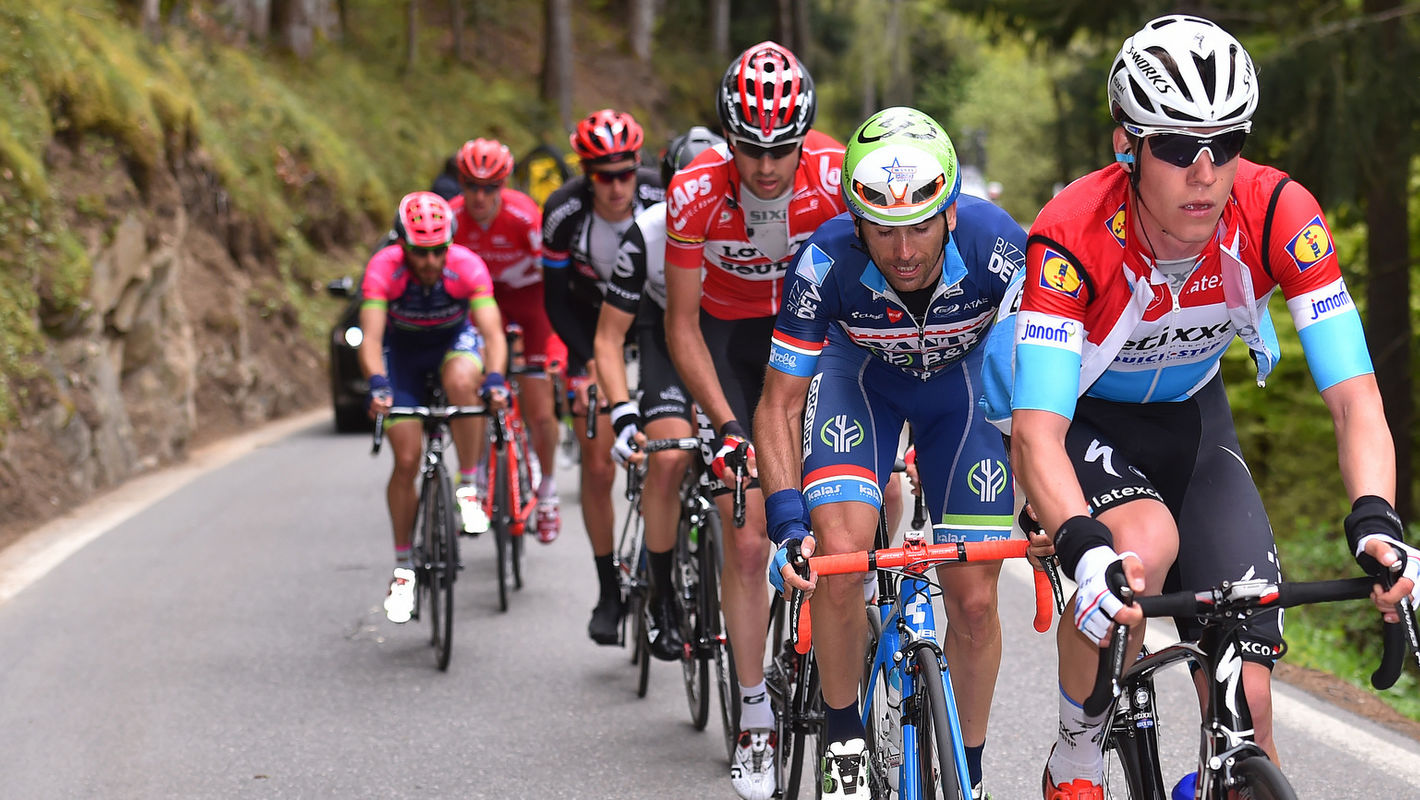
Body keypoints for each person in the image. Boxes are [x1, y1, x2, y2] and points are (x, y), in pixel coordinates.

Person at [976, 15, 1418, 800]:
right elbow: (1039, 435)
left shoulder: (1280, 211)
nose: (1205, 170)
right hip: (1078, 418)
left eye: (1227, 139)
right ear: (1128, 145)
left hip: (1191, 412)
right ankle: (1077, 747)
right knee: (1135, 552)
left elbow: (1355, 399)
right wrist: (1078, 543)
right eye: (1178, 147)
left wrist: (1377, 519)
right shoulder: (1072, 234)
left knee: (1248, 693)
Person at [759, 107, 1026, 800]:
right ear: (857, 223)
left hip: (961, 398)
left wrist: (1051, 506)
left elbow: (1040, 388)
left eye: (919, 227)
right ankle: (842, 732)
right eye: (883, 230)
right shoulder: (824, 261)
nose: (903, 251)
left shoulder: (1002, 246)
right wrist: (788, 523)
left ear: (952, 216)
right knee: (841, 561)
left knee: (972, 602)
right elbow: (780, 404)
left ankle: (970, 766)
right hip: (862, 386)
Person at [663, 40, 846, 800]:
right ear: (727, 138)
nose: (766, 166)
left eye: (781, 149)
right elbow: (679, 326)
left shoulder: (837, 176)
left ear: (805, 138)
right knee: (744, 540)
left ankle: (852, 651)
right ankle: (754, 717)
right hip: (734, 347)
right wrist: (725, 423)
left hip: (818, 344)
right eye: (750, 148)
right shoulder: (694, 191)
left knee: (862, 511)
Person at [593, 126, 726, 662]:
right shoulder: (648, 233)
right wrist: (623, 413)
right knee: (668, 456)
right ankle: (664, 596)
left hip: (727, 335)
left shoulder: (758, 225)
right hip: (664, 335)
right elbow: (607, 337)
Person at [541, 108, 665, 644]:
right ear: (586, 174)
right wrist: (587, 358)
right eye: (602, 175)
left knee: (671, 442)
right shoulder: (563, 212)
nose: (616, 186)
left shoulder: (662, 196)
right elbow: (554, 300)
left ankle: (666, 560)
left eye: (625, 172)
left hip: (655, 322)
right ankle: (607, 590)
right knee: (596, 461)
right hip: (590, 328)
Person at [359, 191, 509, 624]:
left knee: (464, 383)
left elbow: (493, 332)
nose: (431, 262)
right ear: (402, 245)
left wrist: (495, 378)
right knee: (406, 459)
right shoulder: (383, 268)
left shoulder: (466, 266)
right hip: (401, 357)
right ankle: (404, 562)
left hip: (451, 345)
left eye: (439, 250)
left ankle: (468, 488)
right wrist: (377, 385)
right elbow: (370, 338)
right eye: (421, 253)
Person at [449, 138, 563, 544]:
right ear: (460, 184)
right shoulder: (451, 219)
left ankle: (547, 491)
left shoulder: (524, 216)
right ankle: (478, 471)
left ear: (503, 186)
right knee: (468, 386)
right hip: (480, 306)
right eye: (471, 186)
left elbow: (554, 278)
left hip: (529, 302)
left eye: (490, 187)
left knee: (539, 406)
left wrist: (555, 343)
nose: (480, 197)